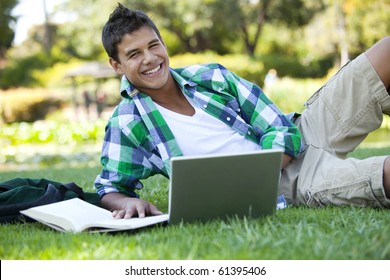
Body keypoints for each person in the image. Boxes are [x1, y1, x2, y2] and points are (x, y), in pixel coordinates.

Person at [94, 3, 390, 219]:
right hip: (285, 186)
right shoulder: (128, 122)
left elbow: (279, 127)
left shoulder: (211, 77)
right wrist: (126, 204)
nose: (150, 59)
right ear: (116, 65)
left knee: (386, 52)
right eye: (134, 54)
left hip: (302, 134)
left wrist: (267, 162)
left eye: (153, 46)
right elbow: (109, 186)